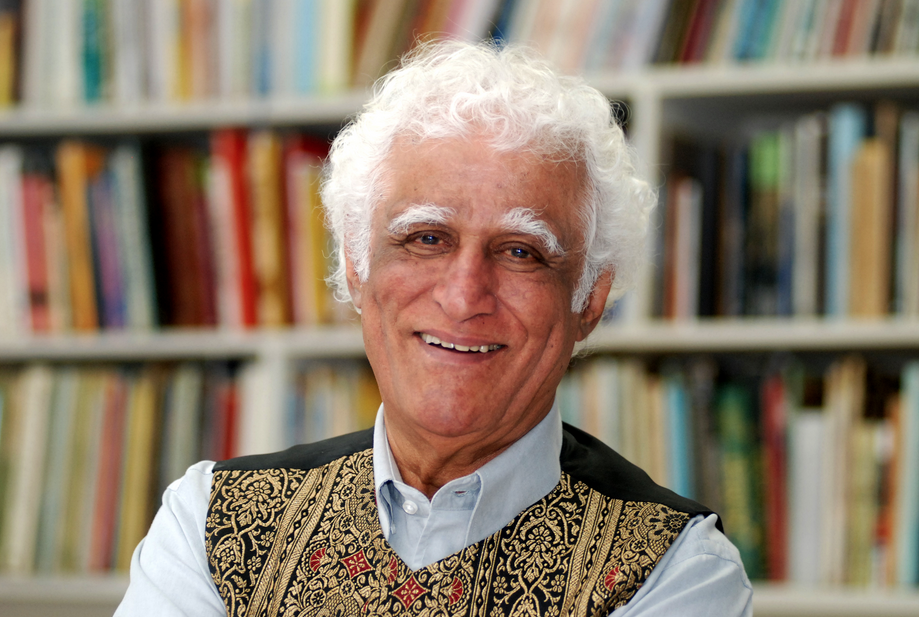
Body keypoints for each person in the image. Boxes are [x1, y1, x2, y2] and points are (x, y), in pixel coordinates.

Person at [116, 40, 752, 616]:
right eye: (426, 238)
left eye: (521, 251)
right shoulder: (210, 523)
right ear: (356, 266)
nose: (464, 295)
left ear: (590, 299)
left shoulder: (675, 570)